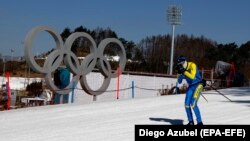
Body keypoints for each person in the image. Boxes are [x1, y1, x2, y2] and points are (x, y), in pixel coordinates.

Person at [175, 55, 206, 125]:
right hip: (191, 86)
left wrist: (184, 71)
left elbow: (192, 76)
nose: (181, 65)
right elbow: (179, 81)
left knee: (193, 103)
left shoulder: (192, 65)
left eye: (182, 63)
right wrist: (179, 73)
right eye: (180, 64)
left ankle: (199, 122)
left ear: (185, 62)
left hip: (198, 84)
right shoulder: (182, 69)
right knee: (186, 104)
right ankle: (191, 121)